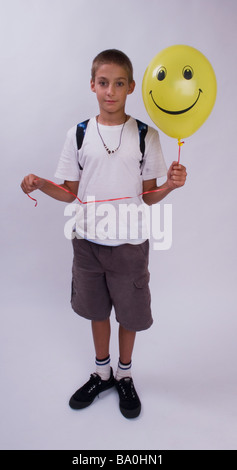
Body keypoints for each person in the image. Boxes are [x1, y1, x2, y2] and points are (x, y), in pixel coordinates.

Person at [21, 49, 187, 419]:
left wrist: (172, 187)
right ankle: (102, 371)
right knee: (97, 311)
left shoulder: (145, 134)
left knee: (128, 314)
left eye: (118, 83)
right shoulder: (79, 133)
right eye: (102, 82)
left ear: (130, 87)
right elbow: (69, 191)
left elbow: (148, 196)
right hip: (88, 243)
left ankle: (125, 376)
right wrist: (41, 184)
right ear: (92, 85)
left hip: (129, 244)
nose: (109, 91)